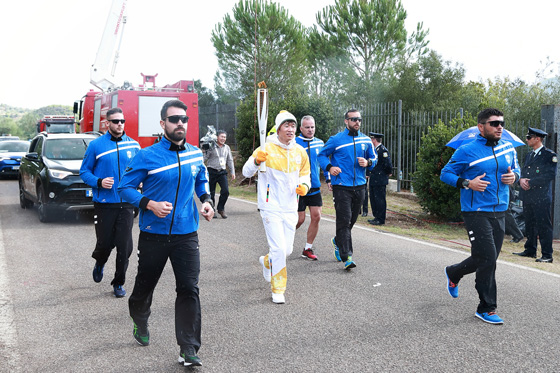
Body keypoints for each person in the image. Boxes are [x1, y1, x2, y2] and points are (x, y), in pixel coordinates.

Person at [118, 100, 214, 367]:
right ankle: (139, 318)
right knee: (144, 288)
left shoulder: (195, 154)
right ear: (163, 124)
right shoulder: (146, 156)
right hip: (153, 234)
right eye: (174, 119)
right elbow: (124, 188)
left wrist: (206, 200)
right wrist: (149, 204)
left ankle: (188, 348)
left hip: (186, 234)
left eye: (183, 119)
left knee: (189, 289)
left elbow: (200, 179)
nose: (180, 123)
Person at [440, 108, 520, 325]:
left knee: (487, 257)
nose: (499, 127)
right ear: (481, 127)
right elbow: (445, 174)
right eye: (494, 123)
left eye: (501, 123)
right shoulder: (466, 151)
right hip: (475, 211)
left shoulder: (508, 147)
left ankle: (453, 272)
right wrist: (468, 183)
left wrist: (514, 176)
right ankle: (487, 307)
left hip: (500, 209)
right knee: (488, 259)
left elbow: (517, 170)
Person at [242, 110, 310, 304]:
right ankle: (278, 288)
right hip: (270, 205)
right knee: (279, 249)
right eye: (286, 126)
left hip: (290, 207)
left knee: (286, 251)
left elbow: (306, 174)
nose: (290, 129)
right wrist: (256, 160)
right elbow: (246, 172)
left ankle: (267, 261)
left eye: (293, 126)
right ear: (278, 128)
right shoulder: (266, 148)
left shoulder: (300, 152)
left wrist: (304, 186)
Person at [80, 107, 140, 298]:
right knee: (105, 243)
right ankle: (100, 261)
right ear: (107, 124)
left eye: (122, 121)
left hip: (126, 204)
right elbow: (84, 172)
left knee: (125, 246)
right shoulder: (96, 146)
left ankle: (119, 282)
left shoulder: (134, 146)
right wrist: (99, 182)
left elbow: (142, 172)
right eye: (115, 121)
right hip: (104, 204)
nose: (119, 124)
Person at [318, 109, 377, 270]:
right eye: (353, 119)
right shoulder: (336, 140)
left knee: (352, 220)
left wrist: (368, 162)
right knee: (344, 220)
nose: (357, 122)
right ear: (346, 121)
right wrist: (330, 167)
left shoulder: (366, 140)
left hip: (359, 185)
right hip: (341, 186)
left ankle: (338, 240)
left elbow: (374, 157)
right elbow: (321, 155)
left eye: (359, 119)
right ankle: (347, 256)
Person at [513, 127, 558, 263]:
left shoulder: (549, 155)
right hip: (528, 195)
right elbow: (524, 173)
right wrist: (521, 180)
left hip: (541, 196)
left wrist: (531, 182)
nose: (527, 140)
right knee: (529, 224)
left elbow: (550, 175)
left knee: (543, 225)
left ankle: (547, 254)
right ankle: (530, 250)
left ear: (537, 139)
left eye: (529, 137)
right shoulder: (529, 155)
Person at [295, 115, 330, 260]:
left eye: (312, 127)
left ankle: (307, 248)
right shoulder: (294, 143)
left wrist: (328, 179)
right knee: (299, 219)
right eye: (307, 127)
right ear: (301, 128)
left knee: (316, 216)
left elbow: (324, 162)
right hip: (298, 187)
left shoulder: (320, 143)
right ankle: (282, 242)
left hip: (314, 186)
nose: (310, 130)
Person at [203, 129, 235, 219]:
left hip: (222, 172)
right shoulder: (211, 146)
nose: (223, 139)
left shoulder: (227, 147)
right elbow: (205, 157)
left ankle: (221, 208)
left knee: (225, 191)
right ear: (217, 137)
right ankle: (211, 209)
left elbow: (230, 160)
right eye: (221, 136)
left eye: (224, 137)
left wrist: (232, 172)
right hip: (212, 171)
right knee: (211, 192)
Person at [367, 132, 393, 226]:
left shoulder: (383, 151)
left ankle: (380, 219)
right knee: (373, 198)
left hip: (380, 179)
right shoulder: (374, 150)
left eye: (371, 139)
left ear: (374, 140)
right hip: (374, 178)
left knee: (380, 199)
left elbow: (388, 164)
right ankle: (376, 216)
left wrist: (387, 173)